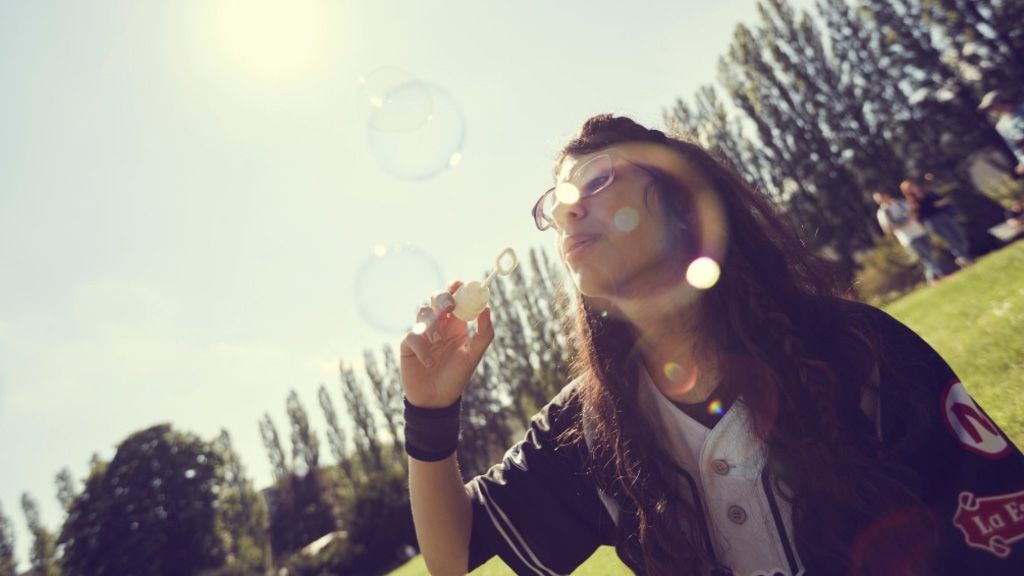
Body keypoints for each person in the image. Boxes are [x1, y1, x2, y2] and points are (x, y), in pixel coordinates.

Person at [400, 115, 1024, 575]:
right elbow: (452, 555)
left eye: (594, 182)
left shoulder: (854, 350)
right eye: (554, 205)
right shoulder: (590, 425)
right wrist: (429, 410)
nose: (565, 214)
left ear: (682, 201)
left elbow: (1000, 534)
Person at [873, 189, 945, 284]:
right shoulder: (882, 213)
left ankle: (931, 277)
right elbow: (887, 229)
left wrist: (912, 215)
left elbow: (914, 210)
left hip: (920, 231)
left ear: (886, 195)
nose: (881, 200)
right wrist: (902, 223)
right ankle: (940, 275)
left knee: (931, 254)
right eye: (878, 199)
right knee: (926, 258)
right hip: (908, 238)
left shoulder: (900, 203)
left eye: (882, 197)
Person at [899, 179, 972, 268]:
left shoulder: (928, 192)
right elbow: (919, 215)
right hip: (932, 221)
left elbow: (940, 199)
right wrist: (929, 206)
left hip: (943, 215)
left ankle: (962, 257)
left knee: (960, 236)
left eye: (913, 185)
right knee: (950, 239)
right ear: (907, 191)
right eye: (910, 188)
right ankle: (964, 258)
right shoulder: (912, 202)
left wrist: (941, 203)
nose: (913, 188)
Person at [978, 90, 1024, 177]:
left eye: (991, 107)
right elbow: (1016, 149)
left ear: (1001, 102)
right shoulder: (1002, 127)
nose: (989, 111)